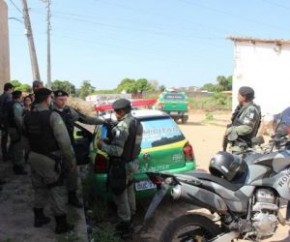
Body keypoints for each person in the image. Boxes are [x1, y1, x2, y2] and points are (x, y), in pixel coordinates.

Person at [23, 88, 75, 233]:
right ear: (47, 99)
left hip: (34, 157)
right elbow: (64, 143)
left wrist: (28, 155)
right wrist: (71, 162)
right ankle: (61, 224)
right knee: (57, 189)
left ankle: (38, 217)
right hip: (50, 159)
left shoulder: (27, 116)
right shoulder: (53, 116)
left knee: (39, 187)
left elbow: (25, 138)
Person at [97, 98, 143, 239]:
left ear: (121, 111)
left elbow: (117, 151)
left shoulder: (122, 126)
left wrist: (102, 146)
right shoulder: (137, 123)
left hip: (121, 165)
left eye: (116, 111)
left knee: (120, 194)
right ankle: (132, 216)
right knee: (129, 189)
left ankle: (125, 224)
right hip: (132, 163)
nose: (115, 114)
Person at [51, 89, 104, 208]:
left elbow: (84, 119)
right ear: (54, 99)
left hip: (68, 145)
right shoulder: (49, 112)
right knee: (55, 174)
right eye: (60, 100)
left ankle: (71, 196)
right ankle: (57, 201)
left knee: (72, 172)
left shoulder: (69, 110)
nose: (63, 102)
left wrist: (102, 121)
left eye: (65, 99)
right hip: (54, 148)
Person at [224, 86, 261, 153]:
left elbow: (247, 128)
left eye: (238, 95)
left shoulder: (251, 110)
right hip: (237, 147)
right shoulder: (242, 108)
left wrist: (230, 130)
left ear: (244, 97)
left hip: (243, 149)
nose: (237, 97)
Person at [6, 90, 27, 175]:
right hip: (16, 129)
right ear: (19, 96)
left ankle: (12, 160)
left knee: (13, 145)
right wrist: (22, 129)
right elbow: (18, 119)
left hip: (10, 128)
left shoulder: (9, 103)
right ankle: (18, 167)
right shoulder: (16, 105)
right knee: (18, 148)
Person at [0, 82, 14, 161]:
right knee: (12, 138)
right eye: (12, 89)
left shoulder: (1, 96)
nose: (12, 90)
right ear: (9, 89)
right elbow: (9, 109)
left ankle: (5, 154)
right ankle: (7, 155)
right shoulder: (9, 96)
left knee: (4, 138)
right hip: (7, 121)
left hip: (2, 120)